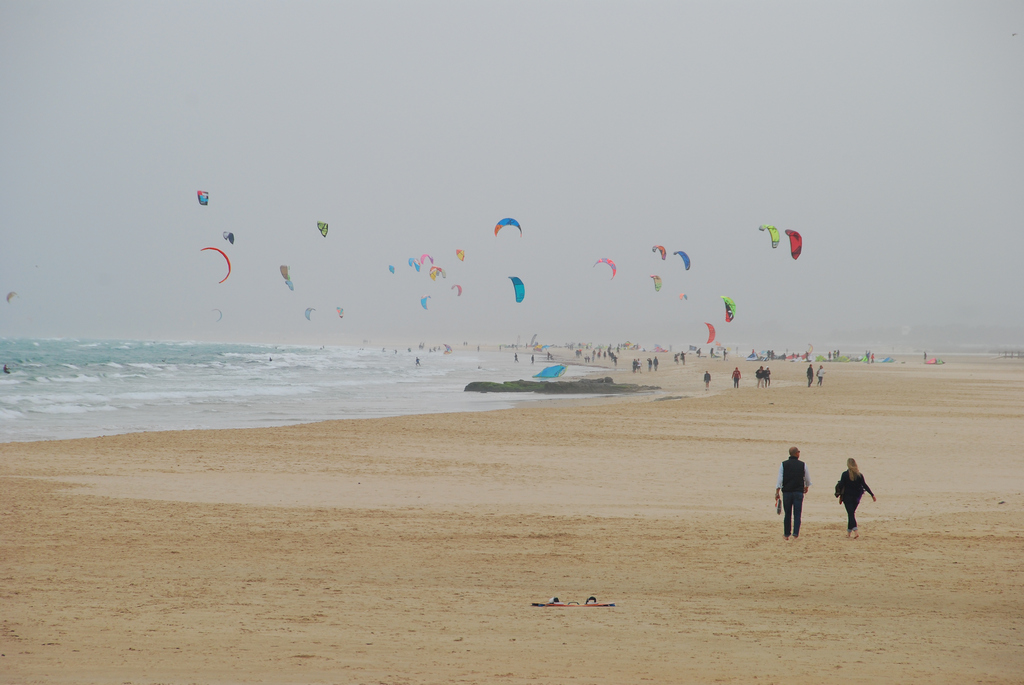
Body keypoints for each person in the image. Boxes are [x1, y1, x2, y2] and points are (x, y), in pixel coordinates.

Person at [775, 447, 811, 539]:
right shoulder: (803, 465)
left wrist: (777, 491)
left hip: (787, 492)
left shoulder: (784, 464)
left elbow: (780, 479)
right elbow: (807, 478)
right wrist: (806, 486)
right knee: (797, 513)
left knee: (787, 513)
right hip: (798, 491)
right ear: (796, 453)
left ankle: (787, 534)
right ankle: (795, 533)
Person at [837, 458, 875, 538]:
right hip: (857, 497)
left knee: (851, 514)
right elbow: (864, 485)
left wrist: (838, 490)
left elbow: (841, 485)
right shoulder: (859, 475)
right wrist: (872, 494)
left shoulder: (845, 474)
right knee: (851, 514)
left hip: (847, 497)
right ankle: (848, 533)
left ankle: (856, 531)